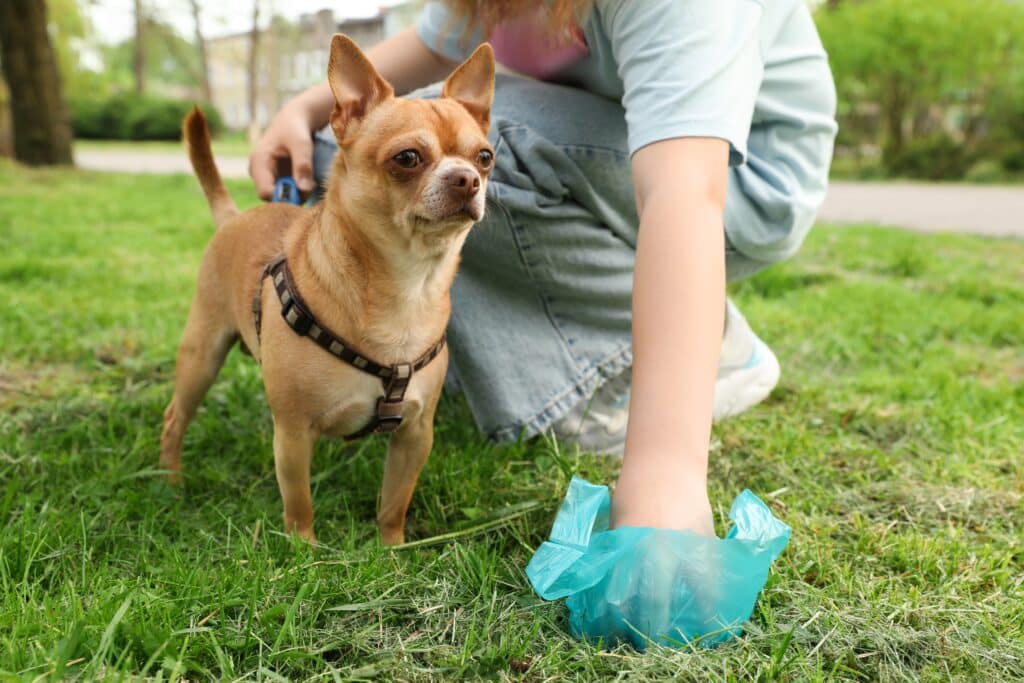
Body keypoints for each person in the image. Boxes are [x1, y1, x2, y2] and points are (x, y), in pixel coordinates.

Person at [249, 0, 837, 537]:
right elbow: (431, 46)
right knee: (352, 156)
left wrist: (666, 476)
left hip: (742, 182)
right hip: (622, 153)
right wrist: (301, 110)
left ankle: (667, 358)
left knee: (496, 137)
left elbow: (685, 192)